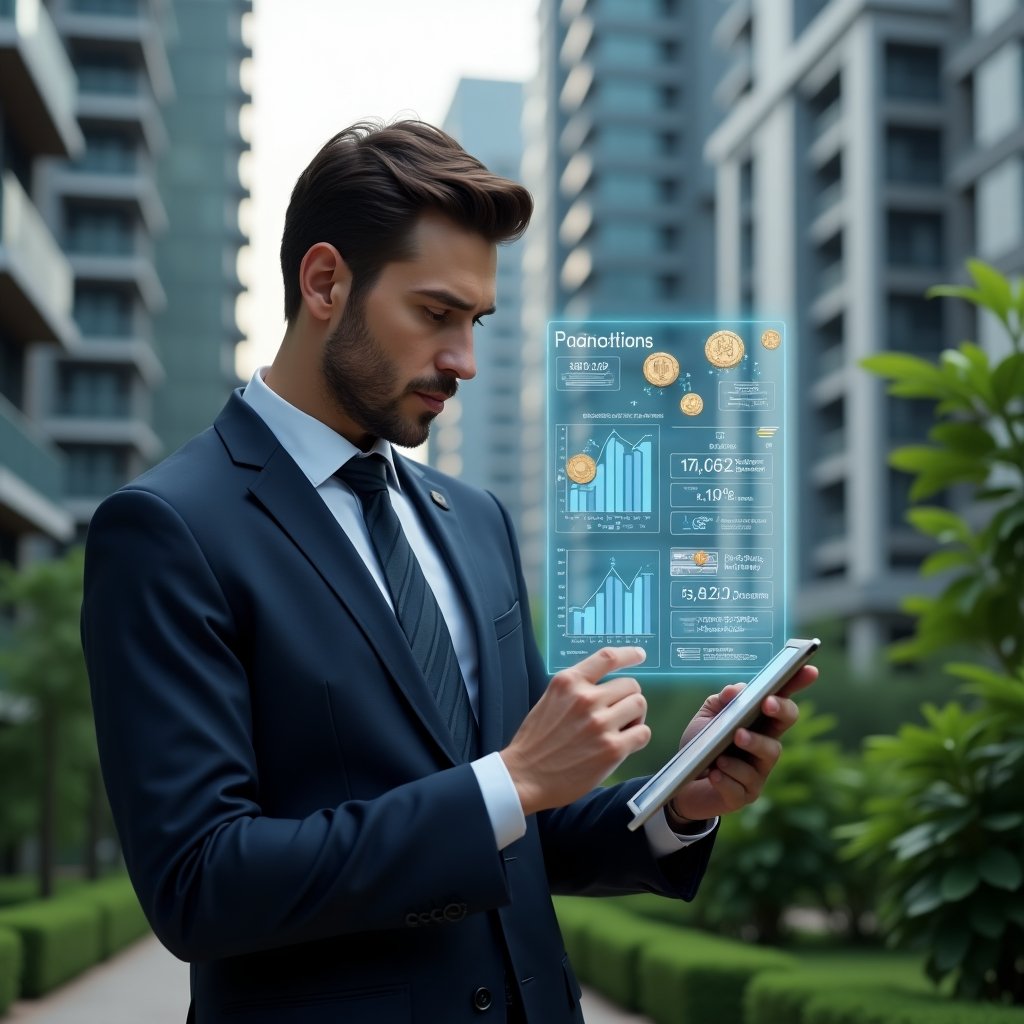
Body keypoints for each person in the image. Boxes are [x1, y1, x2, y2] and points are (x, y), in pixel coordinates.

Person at [81, 120, 816, 1024]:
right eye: (436, 315)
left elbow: (521, 821)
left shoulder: (474, 520)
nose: (463, 360)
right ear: (325, 282)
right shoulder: (169, 528)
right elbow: (201, 884)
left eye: (476, 322)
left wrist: (677, 799)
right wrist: (510, 781)